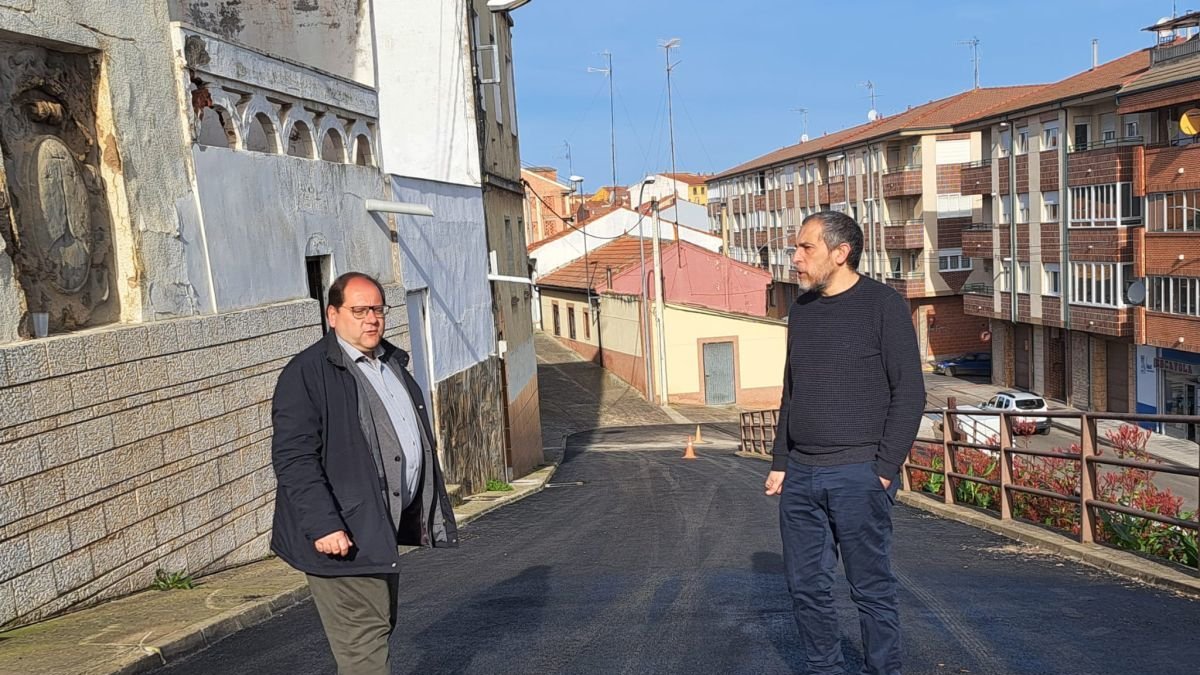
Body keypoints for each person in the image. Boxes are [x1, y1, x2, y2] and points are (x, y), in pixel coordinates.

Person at [270, 272, 458, 674]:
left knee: (378, 626)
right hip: (342, 535)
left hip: (378, 529)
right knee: (365, 645)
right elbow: (294, 457)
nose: (371, 319)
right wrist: (323, 525)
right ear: (333, 315)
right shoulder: (307, 374)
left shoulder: (389, 363)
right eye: (359, 310)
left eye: (377, 309)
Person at [764, 211, 924, 675]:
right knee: (806, 589)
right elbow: (792, 390)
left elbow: (909, 391)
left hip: (859, 473)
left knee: (870, 589)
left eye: (805, 248)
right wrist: (780, 461)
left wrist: (884, 467)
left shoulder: (883, 305)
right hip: (801, 473)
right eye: (795, 248)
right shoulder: (802, 310)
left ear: (840, 253)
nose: (795, 258)